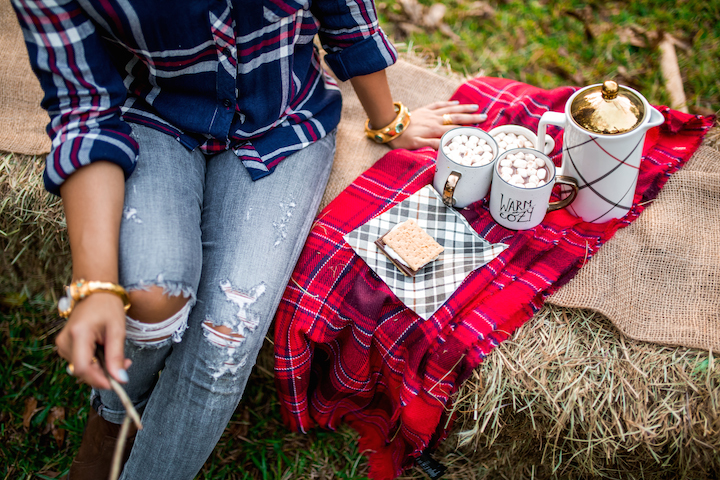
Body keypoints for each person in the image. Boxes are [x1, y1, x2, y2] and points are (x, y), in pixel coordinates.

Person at [12, 0, 485, 478]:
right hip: (148, 112)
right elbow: (84, 115)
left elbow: (344, 13)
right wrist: (94, 285)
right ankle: (111, 426)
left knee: (227, 334)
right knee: (151, 297)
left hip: (283, 122)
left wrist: (390, 121)